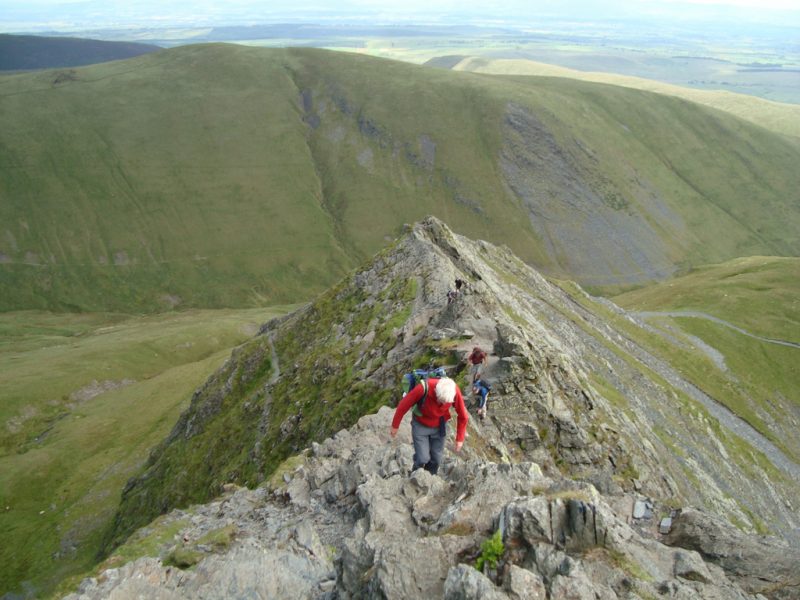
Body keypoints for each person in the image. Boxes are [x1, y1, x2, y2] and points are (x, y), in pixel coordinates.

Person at [390, 377, 468, 475]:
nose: (442, 404)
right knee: (423, 458)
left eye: (446, 402)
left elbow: (463, 416)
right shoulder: (423, 388)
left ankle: (430, 477)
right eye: (441, 401)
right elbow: (403, 405)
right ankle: (416, 474)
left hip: (439, 426)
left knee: (436, 458)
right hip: (420, 425)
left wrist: (460, 439)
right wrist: (395, 426)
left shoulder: (454, 390)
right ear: (436, 391)